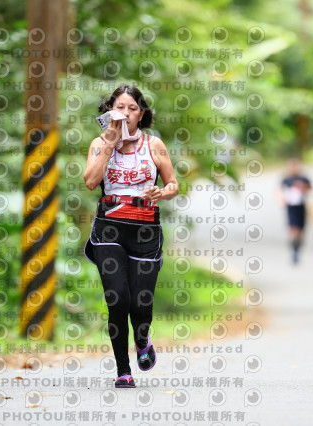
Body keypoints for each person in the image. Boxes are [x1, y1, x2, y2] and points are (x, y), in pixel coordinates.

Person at [83, 84, 179, 388]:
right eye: (120, 107)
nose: (125, 113)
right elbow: (90, 181)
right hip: (109, 229)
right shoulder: (99, 143)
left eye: (132, 108)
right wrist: (109, 144)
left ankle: (142, 338)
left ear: (141, 114)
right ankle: (123, 370)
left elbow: (173, 184)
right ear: (110, 111)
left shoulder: (154, 145)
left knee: (140, 305)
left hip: (145, 231)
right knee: (117, 299)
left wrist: (161, 192)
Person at [277, 158, 312, 264]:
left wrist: (303, 188)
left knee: (301, 229)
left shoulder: (303, 178)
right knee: (293, 228)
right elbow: (279, 190)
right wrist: (281, 199)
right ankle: (293, 248)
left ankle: (298, 246)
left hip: (301, 206)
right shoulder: (287, 179)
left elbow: (310, 188)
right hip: (291, 207)